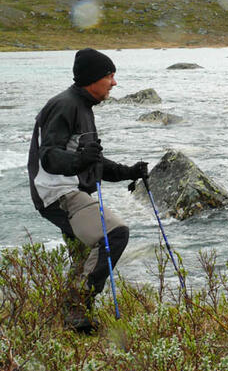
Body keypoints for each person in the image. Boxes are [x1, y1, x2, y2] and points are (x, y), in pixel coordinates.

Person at [27, 48, 148, 333]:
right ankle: (77, 310)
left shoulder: (82, 107)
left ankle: (70, 317)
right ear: (93, 79)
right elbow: (50, 156)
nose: (114, 83)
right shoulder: (64, 105)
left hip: (67, 190)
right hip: (58, 193)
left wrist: (127, 172)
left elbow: (90, 161)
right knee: (114, 234)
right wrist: (79, 161)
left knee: (83, 257)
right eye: (110, 76)